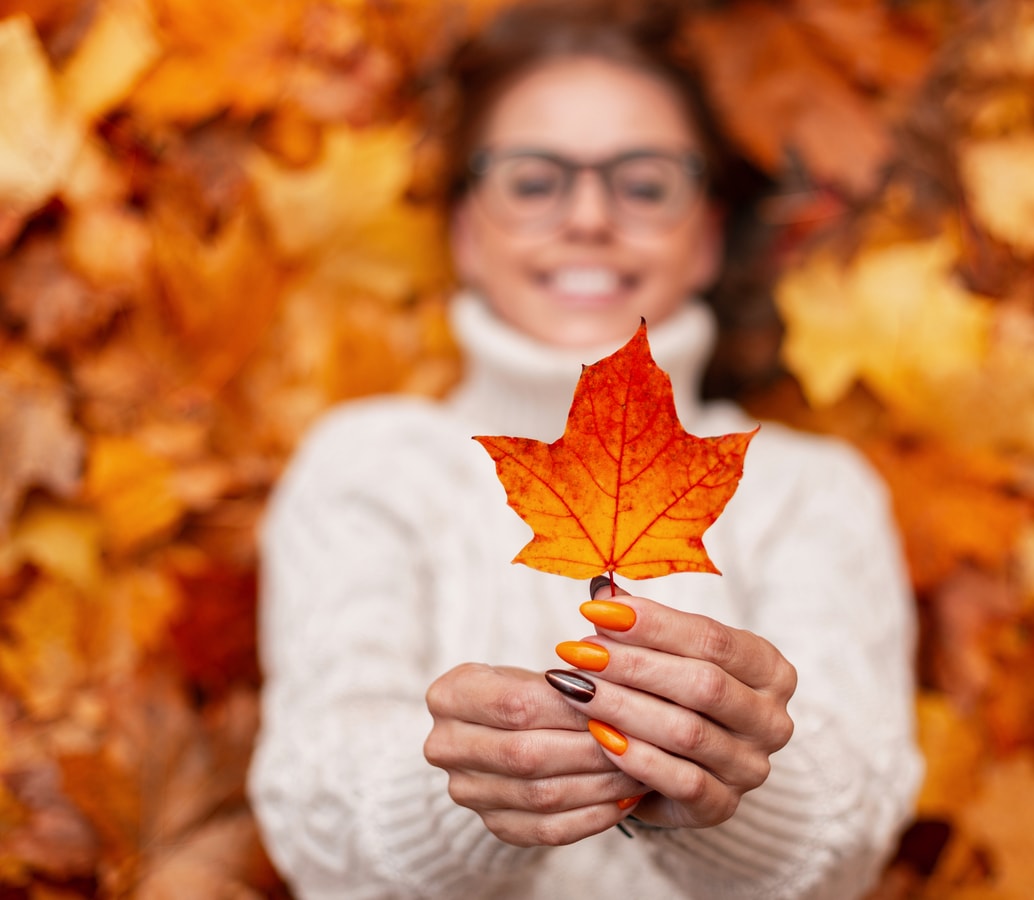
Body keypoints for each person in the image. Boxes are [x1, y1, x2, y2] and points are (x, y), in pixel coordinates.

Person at [248, 3, 922, 898]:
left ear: (709, 234)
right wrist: (470, 793)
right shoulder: (368, 468)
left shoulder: (811, 491)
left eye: (644, 185)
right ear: (464, 231)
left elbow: (855, 821)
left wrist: (730, 790)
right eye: (535, 183)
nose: (591, 217)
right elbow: (315, 800)